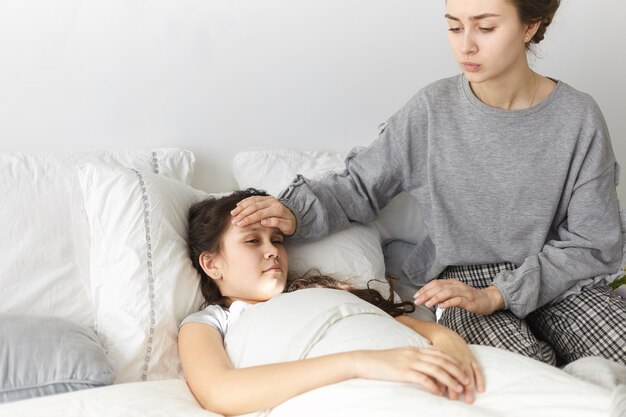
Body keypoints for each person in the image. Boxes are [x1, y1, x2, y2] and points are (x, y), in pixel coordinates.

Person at [230, 0, 626, 367]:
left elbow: (595, 242)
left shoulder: (578, 117)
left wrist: (502, 294)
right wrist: (294, 212)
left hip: (558, 279)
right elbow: (360, 186)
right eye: (454, 27)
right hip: (463, 283)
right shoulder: (431, 110)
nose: (465, 46)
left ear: (530, 26)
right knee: (528, 381)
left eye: (485, 28)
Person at [178, 189, 485, 416]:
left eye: (277, 240)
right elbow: (219, 392)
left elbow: (414, 327)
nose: (272, 251)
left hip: (431, 373)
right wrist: (360, 362)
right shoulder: (211, 322)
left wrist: (447, 338)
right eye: (252, 241)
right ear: (211, 264)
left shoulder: (324, 293)